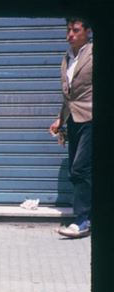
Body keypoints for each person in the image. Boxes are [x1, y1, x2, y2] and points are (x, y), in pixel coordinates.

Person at [51, 18, 93, 239]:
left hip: (92, 118)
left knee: (80, 168)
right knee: (79, 170)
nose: (70, 35)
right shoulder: (67, 57)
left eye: (75, 30)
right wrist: (60, 120)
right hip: (73, 120)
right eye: (68, 30)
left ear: (88, 31)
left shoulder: (96, 54)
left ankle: (83, 220)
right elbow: (68, 96)